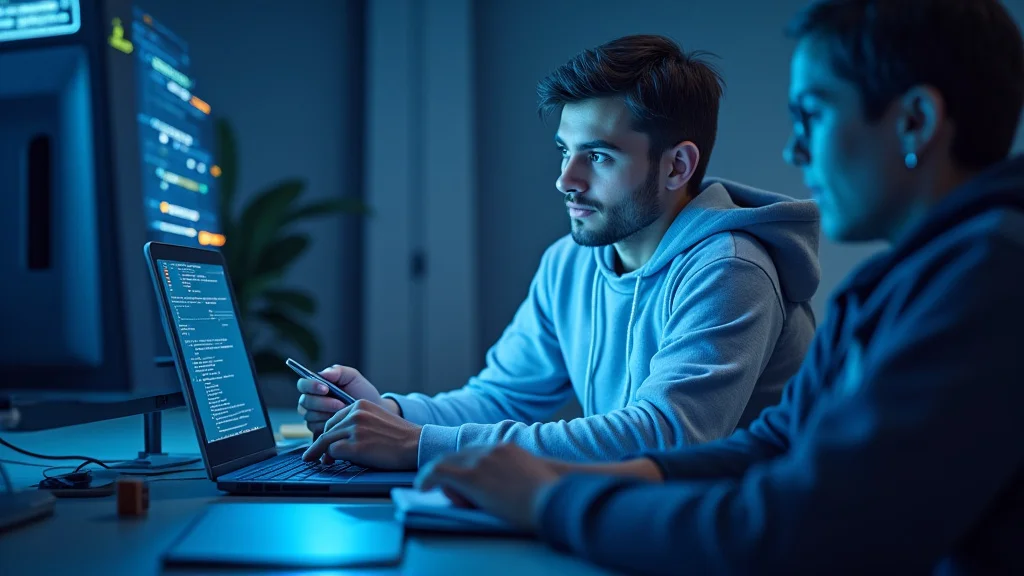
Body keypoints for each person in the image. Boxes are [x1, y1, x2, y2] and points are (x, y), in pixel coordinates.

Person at [414, 0, 1024, 573]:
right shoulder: (897, 283)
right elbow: (773, 445)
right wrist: (539, 475)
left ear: (915, 120)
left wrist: (550, 501)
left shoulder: (991, 281)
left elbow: (798, 527)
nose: (795, 148)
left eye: (813, 113)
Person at [298, 34, 820, 470]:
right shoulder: (568, 263)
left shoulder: (730, 269)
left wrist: (416, 445)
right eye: (565, 152)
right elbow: (503, 398)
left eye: (597, 155)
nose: (565, 180)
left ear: (677, 167)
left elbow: (667, 437)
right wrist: (386, 410)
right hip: (650, 523)